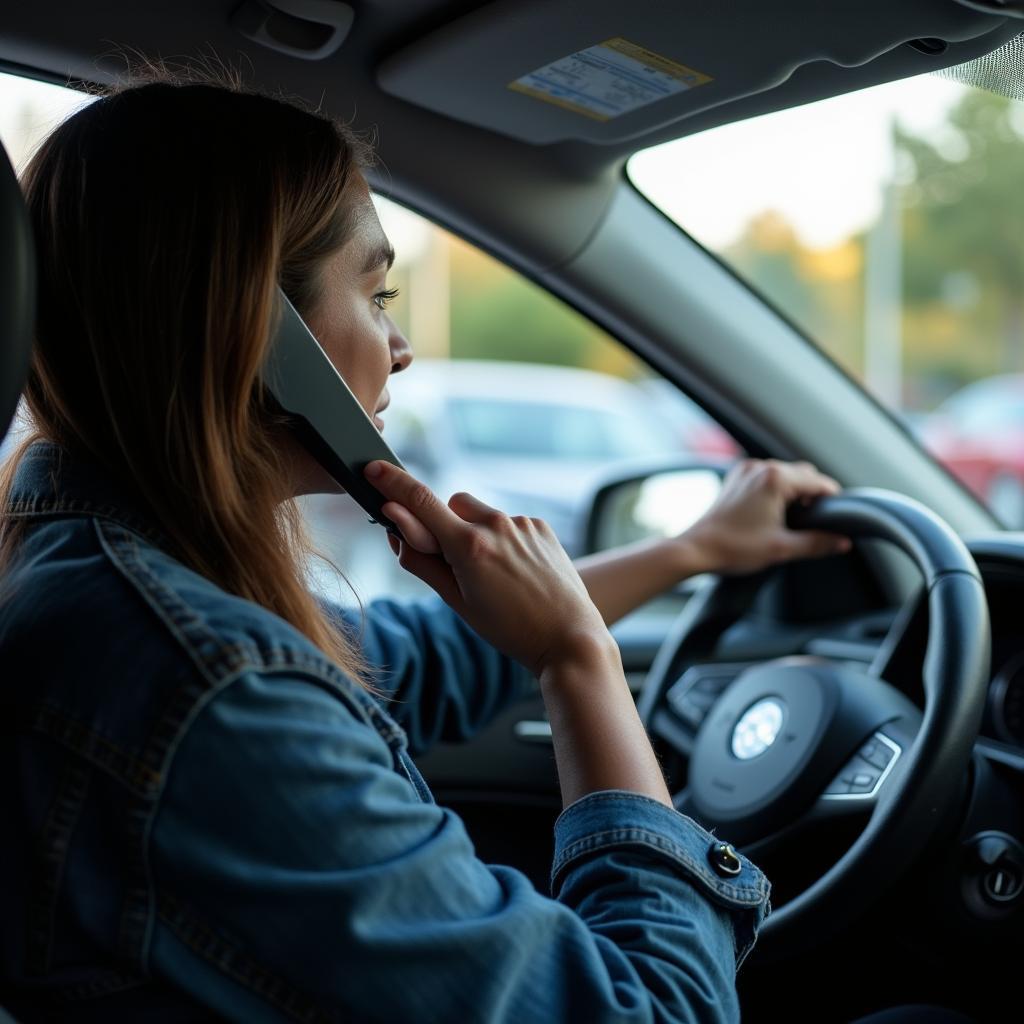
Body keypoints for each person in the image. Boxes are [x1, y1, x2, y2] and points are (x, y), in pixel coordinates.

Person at [0, 72, 851, 1023]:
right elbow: (659, 1012)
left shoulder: (98, 563)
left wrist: (691, 550)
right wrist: (579, 663)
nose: (399, 344)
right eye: (377, 292)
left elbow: (414, 661)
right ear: (259, 334)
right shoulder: (210, 686)